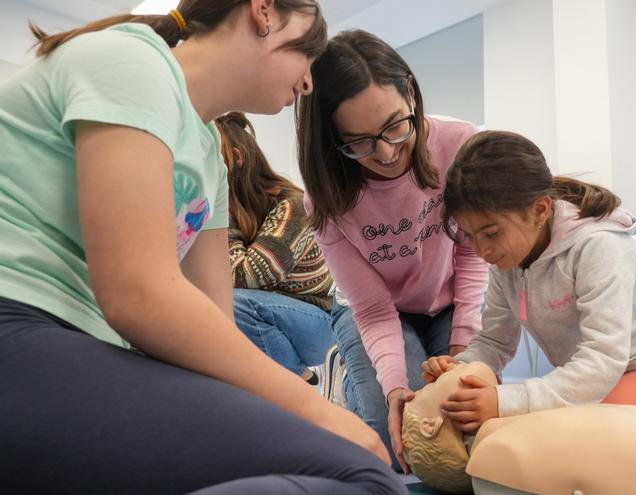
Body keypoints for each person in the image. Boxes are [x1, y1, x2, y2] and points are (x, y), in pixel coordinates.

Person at [0, 1, 407, 493]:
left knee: (348, 467)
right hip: (21, 319)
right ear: (263, 12)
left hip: (78, 344)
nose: (308, 83)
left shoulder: (208, 155)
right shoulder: (133, 61)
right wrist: (317, 413)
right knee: (358, 473)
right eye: (308, 52)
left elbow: (214, 323)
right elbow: (138, 295)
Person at [421, 130, 636, 434]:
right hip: (600, 375)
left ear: (540, 210)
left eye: (491, 233)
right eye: (469, 235)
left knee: (578, 439)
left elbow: (603, 358)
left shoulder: (598, 246)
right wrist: (459, 368)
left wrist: (507, 401)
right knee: (527, 439)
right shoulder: (507, 259)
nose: (482, 250)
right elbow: (495, 341)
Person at [296, 29, 489, 472]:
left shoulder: (457, 143)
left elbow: (472, 252)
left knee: (461, 425)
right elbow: (374, 310)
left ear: (411, 93)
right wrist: (395, 389)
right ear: (332, 139)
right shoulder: (326, 198)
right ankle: (341, 377)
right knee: (394, 437)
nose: (385, 152)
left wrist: (464, 348)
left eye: (394, 126)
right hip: (377, 313)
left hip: (446, 303)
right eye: (359, 142)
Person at [215, 111, 333, 386]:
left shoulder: (292, 206)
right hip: (275, 318)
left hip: (315, 321)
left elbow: (242, 276)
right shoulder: (243, 210)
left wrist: (220, 212)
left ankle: (297, 385)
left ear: (237, 158)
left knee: (234, 302)